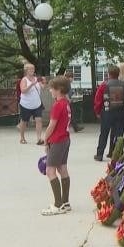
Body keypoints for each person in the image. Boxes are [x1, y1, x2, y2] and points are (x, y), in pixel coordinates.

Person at [39, 76, 72, 216]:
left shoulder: (58, 105)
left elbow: (51, 126)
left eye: (52, 88)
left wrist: (45, 139)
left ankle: (58, 204)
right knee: (62, 169)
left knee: (50, 171)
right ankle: (65, 202)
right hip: (65, 139)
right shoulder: (66, 103)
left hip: (57, 140)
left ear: (59, 90)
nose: (50, 90)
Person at [93, 66, 124, 161]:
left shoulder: (104, 85)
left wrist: (97, 111)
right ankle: (115, 153)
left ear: (109, 74)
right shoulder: (123, 85)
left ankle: (99, 154)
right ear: (118, 74)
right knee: (118, 134)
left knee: (104, 133)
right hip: (120, 112)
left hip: (107, 112)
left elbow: (98, 99)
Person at [18, 63, 45, 145]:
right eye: (30, 69)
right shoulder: (24, 80)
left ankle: (39, 139)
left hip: (37, 104)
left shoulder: (36, 79)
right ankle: (22, 137)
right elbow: (23, 91)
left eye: (33, 69)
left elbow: (42, 87)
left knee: (39, 120)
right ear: (26, 70)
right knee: (24, 121)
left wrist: (43, 82)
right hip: (26, 104)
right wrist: (32, 84)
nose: (32, 70)